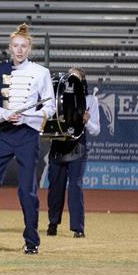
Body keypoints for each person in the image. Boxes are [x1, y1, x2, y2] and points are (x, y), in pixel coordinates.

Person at [0, 23, 55, 255]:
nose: (19, 50)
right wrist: (4, 114)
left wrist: (28, 116)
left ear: (29, 48)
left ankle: (32, 240)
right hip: (5, 135)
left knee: (27, 191)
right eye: (16, 46)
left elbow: (49, 107)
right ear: (10, 48)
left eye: (24, 46)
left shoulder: (41, 73)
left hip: (28, 136)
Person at [46, 68, 101, 239]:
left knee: (75, 187)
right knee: (55, 187)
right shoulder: (55, 99)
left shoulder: (91, 100)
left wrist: (87, 121)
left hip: (78, 149)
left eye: (76, 79)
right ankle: (53, 223)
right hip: (58, 147)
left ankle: (78, 228)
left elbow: (96, 130)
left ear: (82, 82)